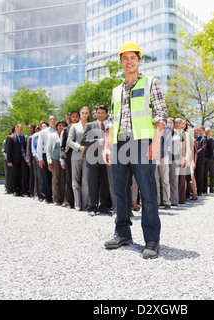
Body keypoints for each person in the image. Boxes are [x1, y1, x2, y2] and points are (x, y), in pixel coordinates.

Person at [102, 41, 167, 259]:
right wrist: (107, 146)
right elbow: (112, 120)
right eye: (125, 58)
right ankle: (122, 233)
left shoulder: (151, 83)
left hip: (142, 142)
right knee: (120, 191)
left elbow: (160, 115)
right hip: (120, 143)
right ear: (121, 62)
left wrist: (156, 141)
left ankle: (152, 239)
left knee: (147, 192)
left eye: (133, 58)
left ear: (139, 60)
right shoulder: (116, 90)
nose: (129, 62)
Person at [81, 105, 110, 215]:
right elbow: (83, 141)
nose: (100, 115)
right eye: (98, 112)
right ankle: (92, 207)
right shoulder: (89, 125)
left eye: (103, 113)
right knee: (92, 183)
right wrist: (96, 142)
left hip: (106, 158)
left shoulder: (110, 125)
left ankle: (103, 206)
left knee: (105, 183)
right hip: (93, 158)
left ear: (106, 114)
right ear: (95, 114)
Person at [68, 107, 90, 211]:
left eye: (86, 113)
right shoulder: (74, 126)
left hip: (88, 156)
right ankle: (77, 204)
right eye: (83, 113)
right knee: (75, 180)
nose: (84, 114)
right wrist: (78, 147)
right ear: (80, 114)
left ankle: (85, 204)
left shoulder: (91, 126)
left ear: (88, 114)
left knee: (85, 180)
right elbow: (69, 141)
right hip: (76, 155)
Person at [61, 111, 79, 208]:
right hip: (69, 155)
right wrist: (63, 154)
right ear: (70, 118)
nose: (75, 118)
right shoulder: (66, 129)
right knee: (69, 178)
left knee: (79, 178)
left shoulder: (82, 127)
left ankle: (79, 200)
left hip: (80, 154)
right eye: (73, 117)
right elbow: (62, 144)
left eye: (76, 117)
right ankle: (69, 201)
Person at [37, 115, 58, 203]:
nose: (52, 120)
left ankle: (55, 195)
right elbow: (39, 145)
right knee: (46, 176)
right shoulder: (43, 132)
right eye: (51, 119)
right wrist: (40, 158)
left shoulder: (58, 131)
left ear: (56, 120)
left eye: (54, 119)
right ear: (49, 121)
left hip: (56, 155)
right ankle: (46, 196)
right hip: (46, 155)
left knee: (55, 176)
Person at [46, 120, 67, 206]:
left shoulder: (66, 135)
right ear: (57, 127)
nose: (61, 127)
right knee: (55, 179)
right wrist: (49, 162)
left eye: (63, 126)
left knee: (62, 180)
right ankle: (56, 199)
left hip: (64, 160)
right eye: (59, 125)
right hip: (55, 159)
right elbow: (48, 149)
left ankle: (62, 198)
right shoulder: (52, 136)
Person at [6, 124, 26, 197]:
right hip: (14, 159)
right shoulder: (11, 138)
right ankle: (15, 190)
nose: (20, 131)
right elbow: (8, 150)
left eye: (21, 129)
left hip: (22, 160)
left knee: (21, 175)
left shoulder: (23, 137)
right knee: (15, 175)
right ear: (15, 129)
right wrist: (9, 161)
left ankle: (20, 190)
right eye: (18, 129)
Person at [203, 127, 214, 193]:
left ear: (210, 133)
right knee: (205, 175)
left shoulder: (213, 140)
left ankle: (212, 189)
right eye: (206, 133)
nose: (207, 134)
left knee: (212, 175)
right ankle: (205, 189)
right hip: (205, 159)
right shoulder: (203, 140)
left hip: (211, 160)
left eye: (208, 133)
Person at [193, 126, 207, 196]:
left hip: (200, 160)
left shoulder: (203, 139)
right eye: (194, 130)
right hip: (192, 160)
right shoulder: (191, 139)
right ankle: (193, 190)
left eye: (197, 130)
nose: (196, 131)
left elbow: (203, 148)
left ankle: (199, 191)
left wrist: (195, 153)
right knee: (193, 176)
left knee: (200, 175)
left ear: (199, 131)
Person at [2, 127, 15, 194]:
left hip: (14, 159)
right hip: (7, 160)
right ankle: (7, 188)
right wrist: (7, 158)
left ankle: (13, 187)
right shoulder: (5, 141)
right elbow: (3, 151)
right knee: (8, 174)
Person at [25, 124, 36, 197]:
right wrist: (28, 159)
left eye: (31, 128)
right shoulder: (27, 137)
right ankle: (31, 191)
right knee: (31, 176)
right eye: (28, 128)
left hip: (36, 158)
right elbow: (28, 149)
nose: (29, 129)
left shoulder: (36, 135)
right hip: (31, 159)